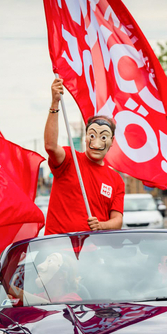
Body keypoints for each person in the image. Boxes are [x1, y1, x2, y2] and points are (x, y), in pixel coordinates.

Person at [44, 78, 125, 235]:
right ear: (85, 137)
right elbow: (50, 146)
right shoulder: (69, 159)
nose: (96, 141)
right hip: (58, 248)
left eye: (103, 137)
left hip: (94, 252)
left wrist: (101, 225)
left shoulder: (116, 180)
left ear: (112, 141)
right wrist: (55, 103)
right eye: (92, 135)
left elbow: (117, 221)